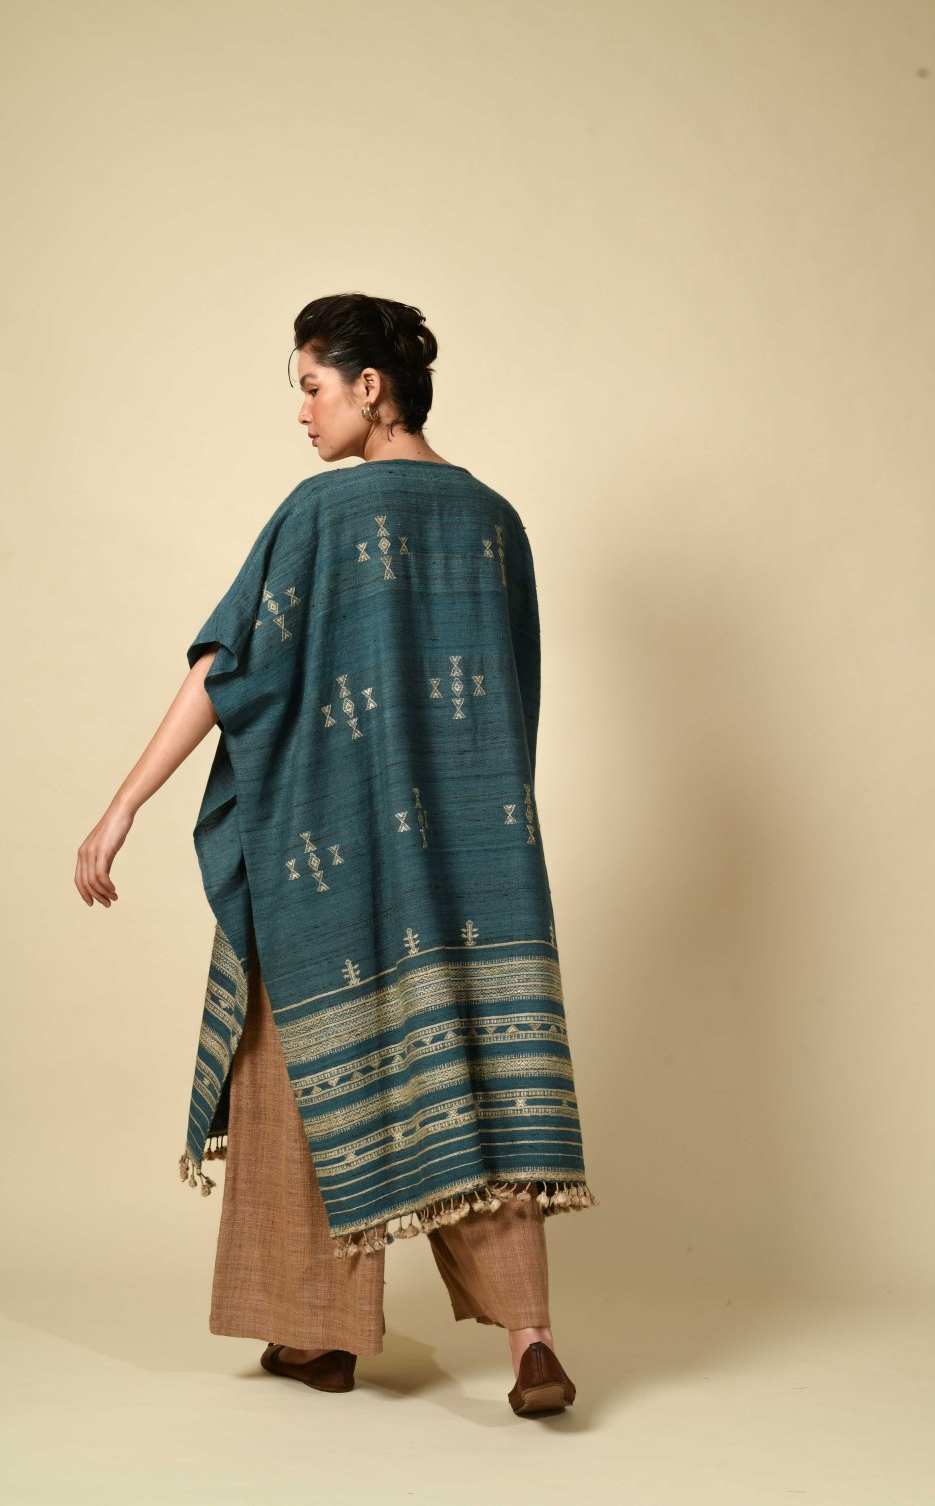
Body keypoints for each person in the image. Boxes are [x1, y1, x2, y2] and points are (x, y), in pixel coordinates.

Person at [74, 293, 598, 1414]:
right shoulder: (496, 519)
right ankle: (532, 1343)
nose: (303, 412)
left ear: (371, 387)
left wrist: (124, 805)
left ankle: (318, 1339)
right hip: (476, 858)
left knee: (296, 1066)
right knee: (481, 1076)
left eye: (312, 386)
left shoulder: (321, 512)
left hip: (331, 848)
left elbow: (227, 668)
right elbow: (512, 697)